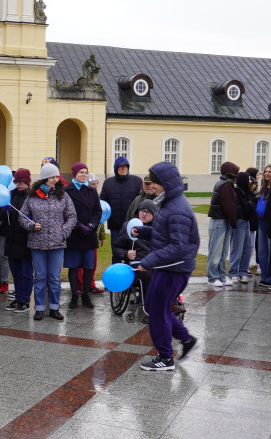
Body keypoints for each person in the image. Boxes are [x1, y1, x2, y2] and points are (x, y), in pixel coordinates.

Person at [136, 162, 199, 371]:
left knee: (157, 311)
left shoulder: (177, 209)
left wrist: (149, 261)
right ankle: (186, 340)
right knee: (155, 307)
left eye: (154, 181)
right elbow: (165, 233)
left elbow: (178, 246)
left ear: (165, 182)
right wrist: (145, 231)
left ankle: (165, 358)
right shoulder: (169, 202)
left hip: (174, 268)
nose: (151, 185)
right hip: (168, 267)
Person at [20, 163, 77, 320]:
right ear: (45, 178)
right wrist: (31, 226)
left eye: (57, 176)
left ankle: (54, 308)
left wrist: (64, 232)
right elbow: (22, 217)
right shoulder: (32, 196)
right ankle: (39, 308)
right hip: (37, 243)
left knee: (54, 277)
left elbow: (72, 216)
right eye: (52, 177)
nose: (56, 179)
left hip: (57, 244)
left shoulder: (63, 195)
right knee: (40, 277)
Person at [64, 162, 103, 309]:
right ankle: (74, 296)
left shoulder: (91, 191)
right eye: (81, 172)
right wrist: (78, 225)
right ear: (75, 174)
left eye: (86, 172)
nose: (84, 175)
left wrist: (91, 225)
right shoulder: (67, 190)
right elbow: (65, 212)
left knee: (88, 266)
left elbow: (98, 211)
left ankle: (86, 295)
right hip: (74, 233)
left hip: (89, 234)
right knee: (74, 266)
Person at [100, 156, 143, 264]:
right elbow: (103, 203)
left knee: (133, 253)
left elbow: (142, 202)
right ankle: (116, 273)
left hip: (133, 225)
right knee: (116, 253)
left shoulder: (137, 181)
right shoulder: (108, 183)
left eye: (126, 166)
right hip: (115, 226)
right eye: (121, 166)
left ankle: (132, 273)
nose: (124, 168)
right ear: (116, 168)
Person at [4, 168, 34, 313]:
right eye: (16, 181)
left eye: (20, 182)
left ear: (27, 182)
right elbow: (3, 218)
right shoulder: (10, 195)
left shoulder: (32, 196)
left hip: (26, 241)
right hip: (12, 240)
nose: (18, 184)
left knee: (26, 273)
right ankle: (18, 297)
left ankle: (25, 300)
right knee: (16, 272)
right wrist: (3, 211)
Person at [206, 162, 239, 287]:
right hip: (219, 221)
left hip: (223, 220)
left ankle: (221, 276)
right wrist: (234, 221)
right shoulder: (224, 185)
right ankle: (212, 277)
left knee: (223, 252)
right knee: (216, 251)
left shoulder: (225, 184)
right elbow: (228, 206)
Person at [228, 172, 255, 284]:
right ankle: (233, 273)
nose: (250, 181)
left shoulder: (247, 192)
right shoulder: (236, 192)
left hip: (246, 221)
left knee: (247, 248)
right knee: (237, 248)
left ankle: (243, 272)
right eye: (248, 179)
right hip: (239, 222)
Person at [255, 163, 271, 287]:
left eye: (269, 172)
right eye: (265, 171)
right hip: (261, 221)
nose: (267, 174)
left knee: (269, 249)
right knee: (262, 250)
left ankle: (269, 277)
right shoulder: (263, 187)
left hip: (269, 221)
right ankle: (264, 276)